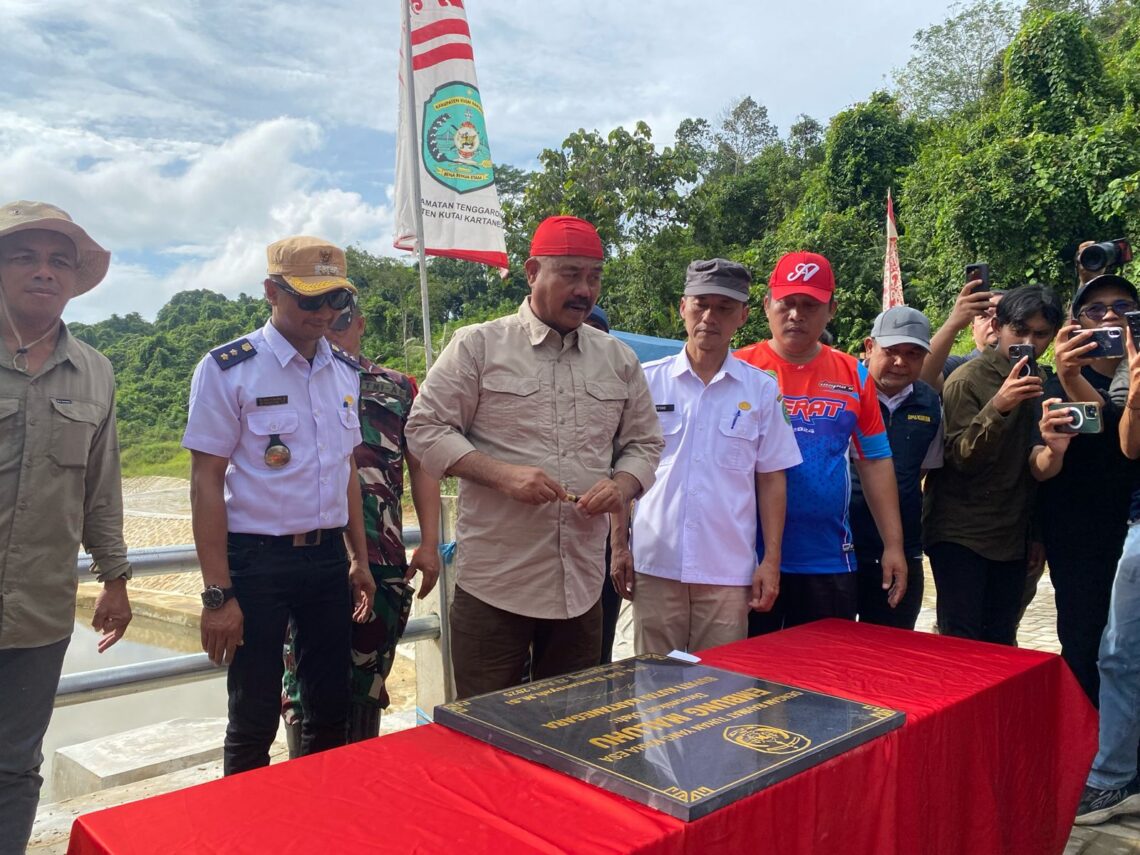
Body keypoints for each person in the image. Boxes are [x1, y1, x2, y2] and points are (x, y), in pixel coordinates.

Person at [406, 216, 663, 698]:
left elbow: (645, 444)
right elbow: (423, 429)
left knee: (571, 731)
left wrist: (622, 485)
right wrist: (501, 476)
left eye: (594, 276)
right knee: (486, 735)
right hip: (495, 589)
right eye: (569, 274)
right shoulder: (478, 346)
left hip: (581, 589)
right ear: (531, 272)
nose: (584, 290)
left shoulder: (618, 359)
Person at [183, 235, 375, 775]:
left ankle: (317, 823)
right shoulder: (230, 369)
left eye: (336, 301)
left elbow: (346, 472)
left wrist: (358, 559)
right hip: (255, 562)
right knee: (254, 715)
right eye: (309, 300)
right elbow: (205, 482)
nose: (324, 314)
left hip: (325, 561)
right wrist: (218, 593)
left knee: (330, 707)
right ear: (271, 291)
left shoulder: (342, 370)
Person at [0, 200, 133, 853]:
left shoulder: (96, 373)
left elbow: (100, 487)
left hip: (40, 611)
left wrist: (115, 577)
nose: (44, 271)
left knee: (15, 765)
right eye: (24, 255)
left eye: (59, 260)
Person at [617, 259, 801, 654]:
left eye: (724, 308)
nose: (709, 317)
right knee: (654, 689)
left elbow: (772, 479)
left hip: (727, 572)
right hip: (655, 565)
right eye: (701, 304)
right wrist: (619, 546)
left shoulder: (762, 390)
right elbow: (620, 469)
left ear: (743, 316)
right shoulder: (647, 382)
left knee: (721, 693)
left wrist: (770, 561)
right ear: (683, 307)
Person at [281, 297, 441, 750]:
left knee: (366, 683)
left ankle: (356, 790)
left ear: (361, 324)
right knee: (301, 685)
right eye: (323, 316)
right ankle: (308, 789)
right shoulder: (292, 379)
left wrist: (429, 543)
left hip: (383, 556)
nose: (332, 327)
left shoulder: (396, 388)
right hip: (312, 557)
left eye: (343, 318)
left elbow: (423, 467)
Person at [734, 251, 906, 633]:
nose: (797, 314)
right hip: (747, 559)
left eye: (810, 305)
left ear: (832, 310)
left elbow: (875, 462)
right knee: (745, 683)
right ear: (766, 305)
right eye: (787, 303)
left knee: (822, 683)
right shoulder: (738, 370)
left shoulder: (853, 374)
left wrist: (893, 544)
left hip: (827, 559)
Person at [923, 284, 1063, 645]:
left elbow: (1034, 472)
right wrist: (998, 406)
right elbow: (960, 458)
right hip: (961, 534)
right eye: (1020, 330)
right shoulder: (967, 380)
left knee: (1002, 641)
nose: (1029, 341)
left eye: (1040, 334)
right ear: (998, 326)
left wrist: (1035, 536)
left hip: (1013, 536)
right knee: (961, 643)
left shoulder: (1044, 383)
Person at [1029, 273, 1138, 703]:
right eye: (1096, 308)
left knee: (1129, 652)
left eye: (1123, 306)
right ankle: (1085, 748)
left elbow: (1127, 438)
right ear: (1077, 324)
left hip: (1131, 529)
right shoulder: (1053, 384)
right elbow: (1038, 467)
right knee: (1083, 643)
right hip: (1077, 536)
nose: (1110, 315)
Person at [1074, 317, 1140, 824]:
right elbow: (1128, 445)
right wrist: (1136, 391)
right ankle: (1114, 778)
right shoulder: (1133, 359)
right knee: (1118, 654)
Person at [851, 306, 943, 630]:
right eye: (891, 351)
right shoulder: (842, 393)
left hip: (902, 552)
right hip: (841, 550)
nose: (901, 362)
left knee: (891, 653)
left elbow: (922, 471)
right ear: (869, 347)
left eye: (913, 353)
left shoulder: (930, 403)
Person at [582, 304, 623, 665]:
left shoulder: (621, 392)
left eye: (597, 331)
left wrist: (623, 546)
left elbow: (636, 463)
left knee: (598, 646)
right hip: (540, 541)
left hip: (604, 538)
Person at [919, 279, 1004, 394]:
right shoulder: (957, 366)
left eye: (1003, 316)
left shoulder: (1029, 369)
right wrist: (953, 324)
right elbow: (919, 380)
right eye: (984, 316)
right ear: (973, 330)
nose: (994, 322)